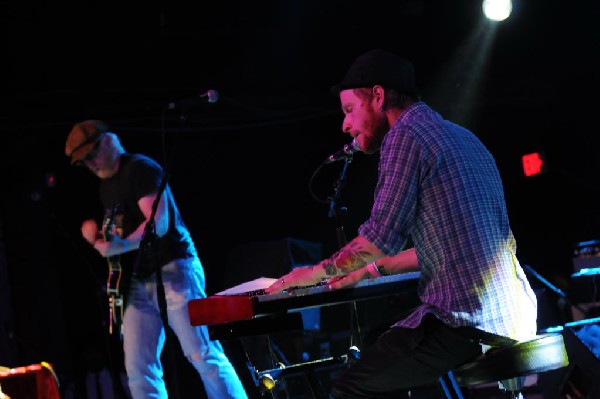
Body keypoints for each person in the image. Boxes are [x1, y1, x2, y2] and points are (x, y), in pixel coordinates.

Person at [265, 49, 538, 398]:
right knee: (380, 340)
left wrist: (313, 274)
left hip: (468, 320)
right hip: (515, 313)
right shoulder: (463, 137)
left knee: (350, 389)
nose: (344, 125)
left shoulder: (404, 137)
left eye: (349, 110)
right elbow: (457, 243)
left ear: (378, 97)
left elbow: (381, 238)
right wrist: (369, 270)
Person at [65, 120, 247, 399]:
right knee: (139, 368)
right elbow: (121, 236)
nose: (90, 164)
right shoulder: (105, 188)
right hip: (138, 279)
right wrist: (98, 240)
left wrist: (117, 246)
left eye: (91, 155)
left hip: (174, 268)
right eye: (83, 162)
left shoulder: (140, 169)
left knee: (202, 353)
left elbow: (158, 224)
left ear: (109, 141)